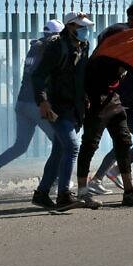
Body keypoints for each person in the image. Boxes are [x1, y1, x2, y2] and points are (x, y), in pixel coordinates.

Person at [75, 3, 133, 207]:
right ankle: (82, 192)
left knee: (123, 141)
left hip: (113, 96)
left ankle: (129, 191)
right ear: (131, 19)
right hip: (96, 93)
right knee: (90, 143)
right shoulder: (121, 32)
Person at [0, 20, 63, 192]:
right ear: (56, 35)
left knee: (21, 145)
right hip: (38, 105)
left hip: (22, 103)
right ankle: (54, 181)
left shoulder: (34, 48)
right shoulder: (50, 49)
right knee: (61, 141)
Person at [31, 13, 93, 211]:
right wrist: (42, 101)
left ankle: (41, 194)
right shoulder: (57, 46)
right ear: (70, 26)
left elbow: (82, 76)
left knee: (59, 150)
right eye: (81, 27)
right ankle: (64, 195)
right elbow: (38, 76)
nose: (85, 30)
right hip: (56, 106)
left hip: (74, 107)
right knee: (72, 147)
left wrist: (86, 98)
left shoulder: (84, 46)